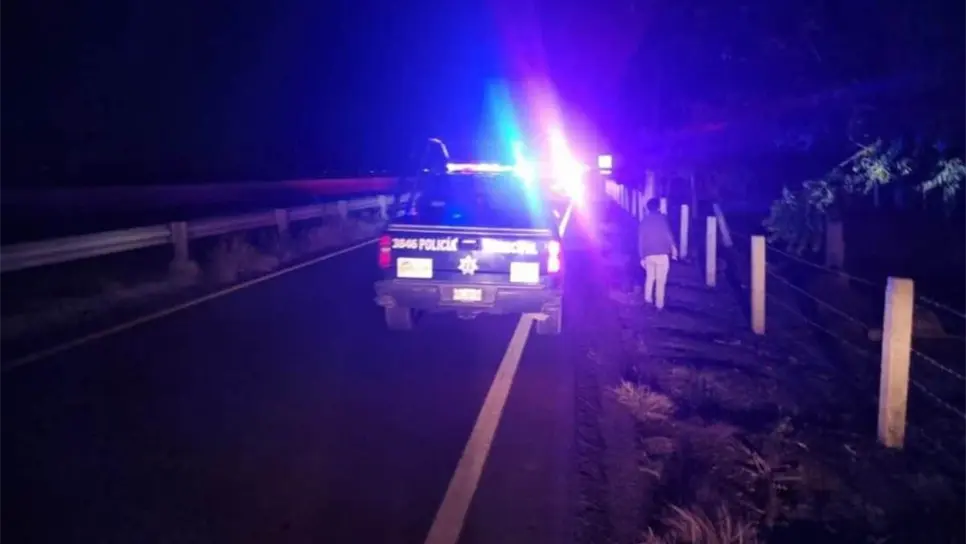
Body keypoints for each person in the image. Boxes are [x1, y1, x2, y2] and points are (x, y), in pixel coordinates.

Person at [637, 198, 678, 309]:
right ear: (659, 207)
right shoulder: (662, 220)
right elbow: (667, 235)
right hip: (662, 253)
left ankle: (648, 300)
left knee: (650, 278)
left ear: (648, 208)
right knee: (661, 280)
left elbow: (641, 239)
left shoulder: (644, 221)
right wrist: (673, 249)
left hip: (649, 254)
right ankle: (659, 305)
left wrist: (642, 256)